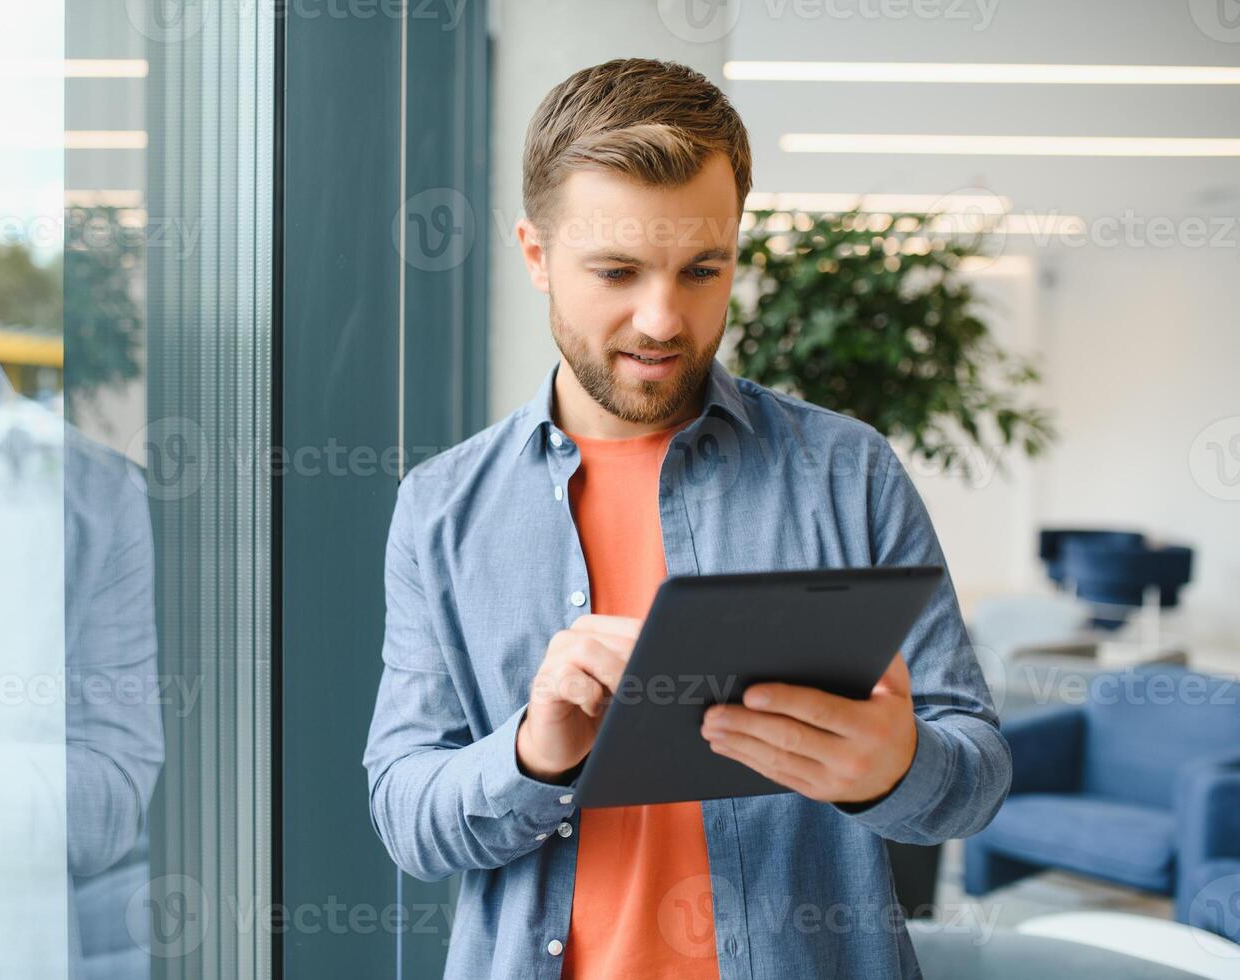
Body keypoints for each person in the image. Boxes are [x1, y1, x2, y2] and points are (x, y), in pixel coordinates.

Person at [362, 58, 1011, 980]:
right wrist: (532, 755)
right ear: (536, 253)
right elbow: (405, 817)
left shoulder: (846, 471)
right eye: (617, 271)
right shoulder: (441, 507)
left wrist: (894, 770)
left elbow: (973, 776)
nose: (662, 320)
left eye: (702, 269)